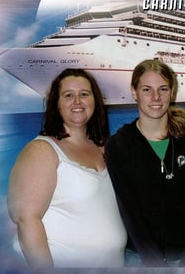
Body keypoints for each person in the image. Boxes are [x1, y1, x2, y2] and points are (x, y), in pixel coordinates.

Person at [7, 68, 127, 267]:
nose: (77, 101)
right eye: (68, 95)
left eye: (84, 94)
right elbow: (26, 219)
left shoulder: (105, 147)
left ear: (94, 101)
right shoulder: (42, 150)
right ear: (56, 104)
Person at [105, 59, 185, 267]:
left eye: (163, 89)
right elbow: (129, 212)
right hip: (141, 259)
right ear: (134, 92)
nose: (155, 97)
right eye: (147, 89)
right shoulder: (119, 145)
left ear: (172, 92)